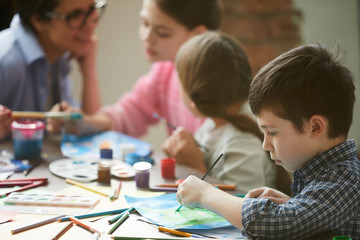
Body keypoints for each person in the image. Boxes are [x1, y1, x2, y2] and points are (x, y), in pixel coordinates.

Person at [176, 43, 360, 239]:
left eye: (272, 132)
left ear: (315, 127)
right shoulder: (328, 175)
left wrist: (207, 195)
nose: (265, 144)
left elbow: (278, 225)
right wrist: (292, 204)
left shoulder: (344, 179)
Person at [46, 0, 221, 137]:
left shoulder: (216, 83)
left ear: (198, 35)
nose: (147, 37)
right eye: (145, 23)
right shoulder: (164, 71)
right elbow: (130, 113)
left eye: (162, 32)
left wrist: (194, 160)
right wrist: (86, 123)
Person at [162, 31, 276, 192]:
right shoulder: (212, 124)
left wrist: (195, 167)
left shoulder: (243, 145)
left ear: (194, 98)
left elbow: (242, 208)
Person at [0, 0, 105, 140]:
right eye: (76, 15)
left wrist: (89, 71)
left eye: (91, 9)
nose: (90, 25)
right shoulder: (6, 60)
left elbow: (92, 129)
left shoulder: (58, 54)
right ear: (38, 20)